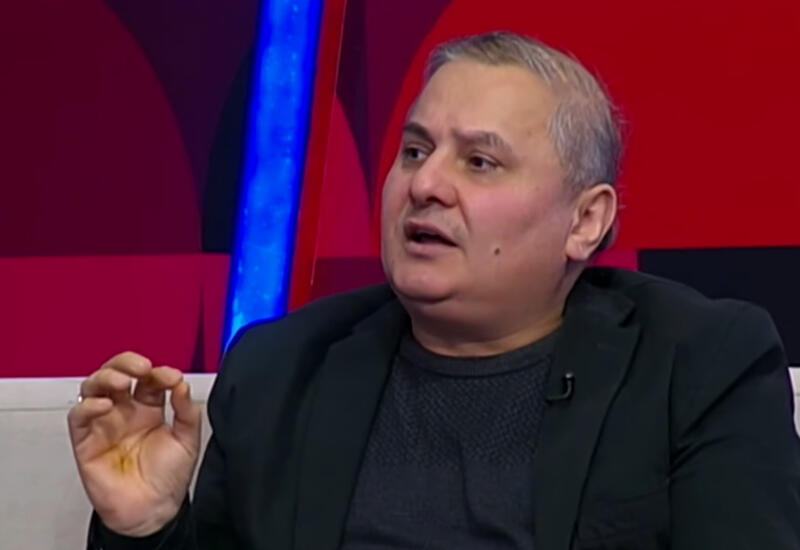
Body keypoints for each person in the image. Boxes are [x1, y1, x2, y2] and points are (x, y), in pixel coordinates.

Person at [68, 31, 800, 549]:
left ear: (585, 221)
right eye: (415, 150)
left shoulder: (697, 366)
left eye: (480, 162)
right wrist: (147, 528)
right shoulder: (280, 369)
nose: (425, 184)